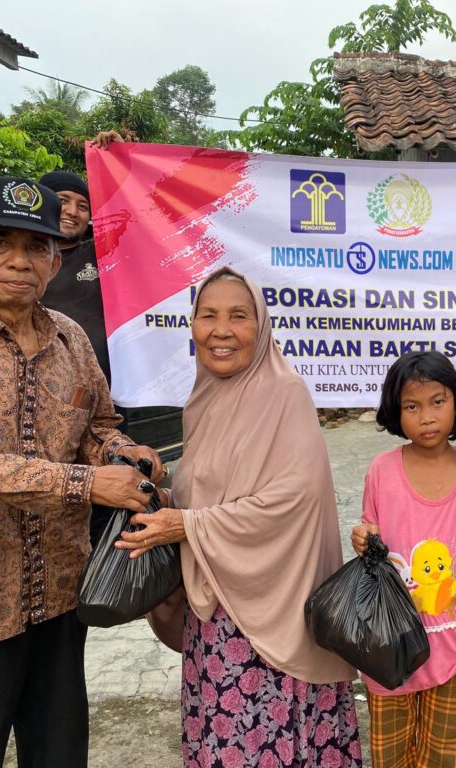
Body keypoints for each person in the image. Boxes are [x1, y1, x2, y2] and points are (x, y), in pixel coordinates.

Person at [0, 175, 164, 767]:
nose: (20, 262)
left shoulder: (71, 338)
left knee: (60, 748)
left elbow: (98, 423)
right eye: (0, 243)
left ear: (56, 260)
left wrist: (124, 453)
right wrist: (87, 482)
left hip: (61, 590)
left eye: (37, 248)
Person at [120, 266, 361, 767]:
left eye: (238, 316)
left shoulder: (283, 393)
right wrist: (157, 495)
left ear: (262, 325)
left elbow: (293, 500)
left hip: (271, 619)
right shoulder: (204, 398)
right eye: (207, 315)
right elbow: (207, 491)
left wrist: (188, 525)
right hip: (215, 617)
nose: (221, 330)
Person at [350, 350, 456, 768]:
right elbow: (369, 535)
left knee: (443, 757)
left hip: (454, 647)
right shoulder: (382, 470)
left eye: (438, 401)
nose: (427, 417)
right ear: (396, 412)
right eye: (412, 407)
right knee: (390, 757)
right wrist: (362, 538)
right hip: (389, 647)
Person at [37, 170, 111, 384]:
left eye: (83, 206)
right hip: (41, 390)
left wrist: (118, 161)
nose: (72, 212)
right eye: (62, 201)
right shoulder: (18, 260)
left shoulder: (103, 255)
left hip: (104, 393)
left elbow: (141, 219)